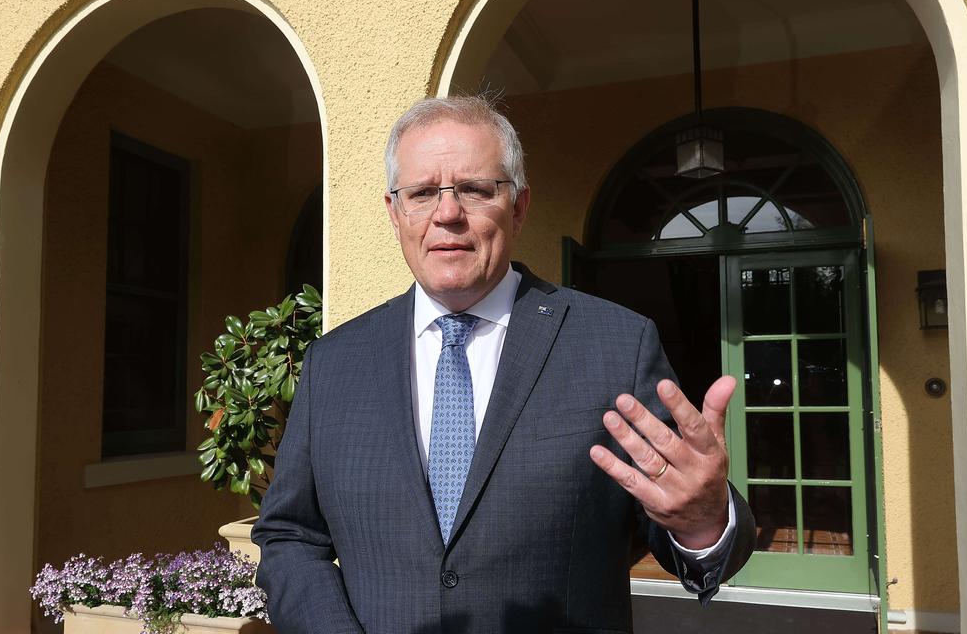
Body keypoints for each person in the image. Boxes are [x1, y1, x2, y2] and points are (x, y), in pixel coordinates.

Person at [253, 96, 755, 634]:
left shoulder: (616, 344)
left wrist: (703, 520)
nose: (447, 213)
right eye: (422, 193)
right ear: (395, 213)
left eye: (474, 189)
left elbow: (672, 514)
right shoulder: (333, 362)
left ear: (518, 207)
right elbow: (290, 535)